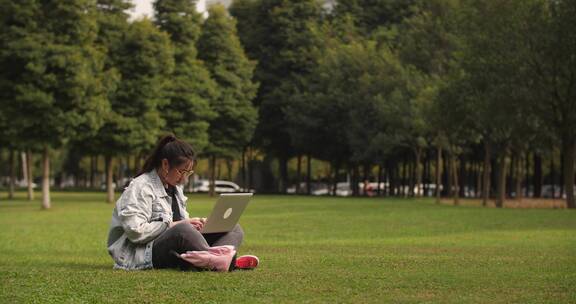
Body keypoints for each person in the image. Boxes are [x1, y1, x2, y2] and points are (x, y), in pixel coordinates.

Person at [106, 134, 259, 271]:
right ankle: (224, 260)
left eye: (189, 173)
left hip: (176, 244)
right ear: (165, 165)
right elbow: (135, 232)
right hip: (141, 253)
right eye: (181, 171)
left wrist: (198, 224)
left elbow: (183, 224)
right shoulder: (140, 187)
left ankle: (214, 259)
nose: (185, 179)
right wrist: (175, 225)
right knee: (183, 230)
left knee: (233, 227)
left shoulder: (175, 188)